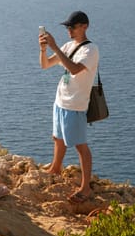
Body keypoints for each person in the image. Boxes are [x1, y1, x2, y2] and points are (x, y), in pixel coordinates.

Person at [38, 11, 99, 203]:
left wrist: (55, 47)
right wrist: (43, 50)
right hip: (61, 101)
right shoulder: (68, 46)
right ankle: (56, 168)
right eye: (68, 27)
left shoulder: (90, 50)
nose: (69, 31)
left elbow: (74, 70)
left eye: (72, 27)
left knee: (81, 146)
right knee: (58, 138)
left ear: (84, 26)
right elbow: (46, 65)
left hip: (76, 104)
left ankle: (85, 187)